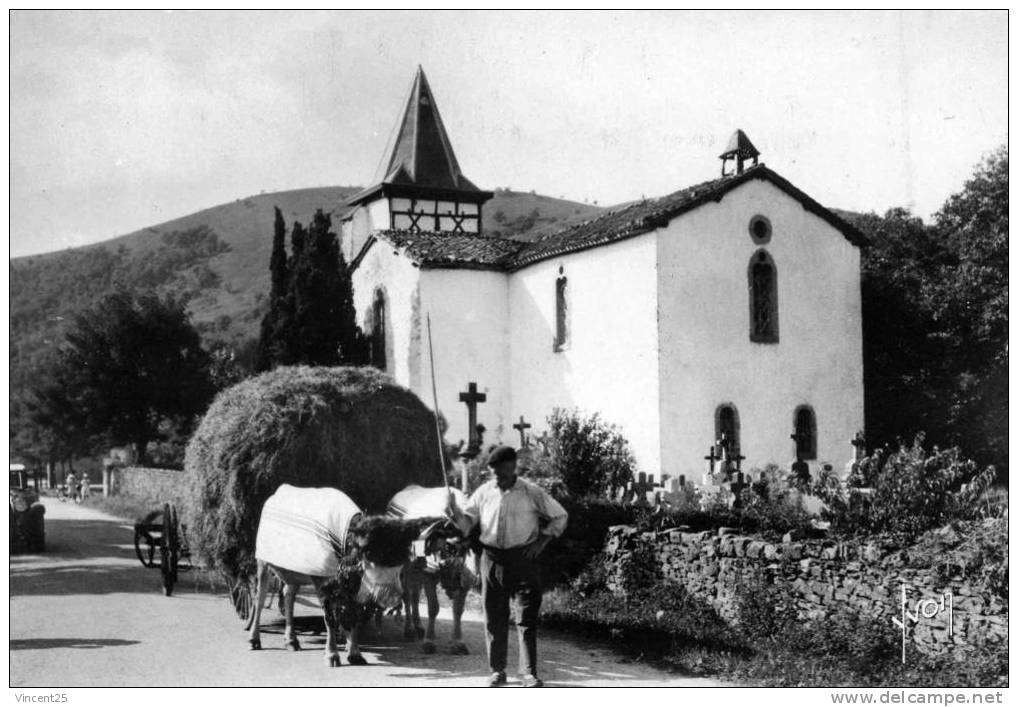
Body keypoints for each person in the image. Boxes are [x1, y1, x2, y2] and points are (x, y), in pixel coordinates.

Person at [449, 445, 568, 688]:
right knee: (494, 617)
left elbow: (560, 515)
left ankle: (529, 674)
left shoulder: (530, 491)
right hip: (491, 559)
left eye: (500, 473)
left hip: (523, 560)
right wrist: (454, 513)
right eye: (492, 473)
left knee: (525, 618)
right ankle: (497, 671)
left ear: (513, 467)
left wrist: (542, 541)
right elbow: (467, 523)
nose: (496, 478)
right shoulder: (484, 491)